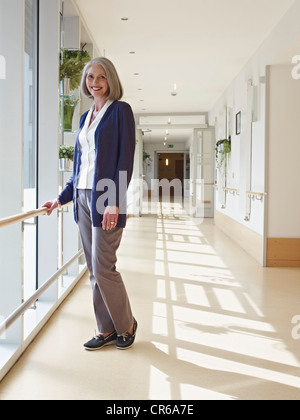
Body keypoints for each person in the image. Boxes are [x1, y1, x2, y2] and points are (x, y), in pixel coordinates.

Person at [43, 57, 137, 351]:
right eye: (90, 77)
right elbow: (79, 166)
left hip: (105, 198)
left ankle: (127, 325)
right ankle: (105, 329)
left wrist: (114, 203)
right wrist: (61, 198)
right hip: (82, 197)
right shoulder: (85, 118)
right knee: (93, 269)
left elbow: (124, 160)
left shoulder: (121, 111)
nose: (94, 83)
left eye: (101, 77)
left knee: (104, 265)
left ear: (111, 81)